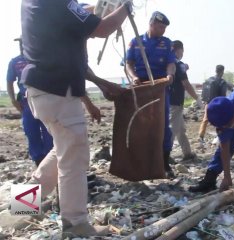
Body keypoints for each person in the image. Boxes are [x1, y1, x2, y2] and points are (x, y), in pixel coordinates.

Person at [21, 0, 131, 238]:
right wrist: (126, 7)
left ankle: (22, 204)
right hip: (58, 91)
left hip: (43, 90)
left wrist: (99, 7)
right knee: (74, 160)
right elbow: (101, 29)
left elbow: (82, 16)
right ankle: (75, 224)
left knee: (63, 149)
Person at [126, 11, 176, 178]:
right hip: (141, 87)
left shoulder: (167, 43)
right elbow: (128, 64)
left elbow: (171, 64)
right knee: (140, 125)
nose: (163, 30)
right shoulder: (136, 41)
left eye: (164, 28)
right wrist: (133, 77)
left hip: (160, 88)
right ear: (151, 24)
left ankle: (165, 164)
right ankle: (140, 164)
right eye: (160, 27)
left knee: (162, 125)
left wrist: (170, 75)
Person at [7, 38, 53, 167]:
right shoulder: (15, 62)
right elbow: (9, 81)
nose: (23, 46)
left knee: (48, 132)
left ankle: (50, 161)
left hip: (44, 101)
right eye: (21, 43)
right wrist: (12, 99)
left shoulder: (42, 59)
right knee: (31, 132)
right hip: (26, 104)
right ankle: (38, 162)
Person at [169, 40, 202, 161]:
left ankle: (187, 153)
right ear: (179, 50)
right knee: (172, 129)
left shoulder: (168, 63)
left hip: (170, 100)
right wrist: (197, 98)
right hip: (175, 102)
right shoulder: (178, 64)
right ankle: (164, 155)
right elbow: (186, 84)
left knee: (180, 129)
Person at [198, 65, 228, 143]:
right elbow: (223, 95)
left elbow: (204, 92)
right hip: (217, 104)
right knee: (221, 120)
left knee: (205, 119)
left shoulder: (208, 80)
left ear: (215, 71)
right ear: (222, 71)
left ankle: (201, 136)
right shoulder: (222, 82)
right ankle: (220, 136)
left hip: (208, 103)